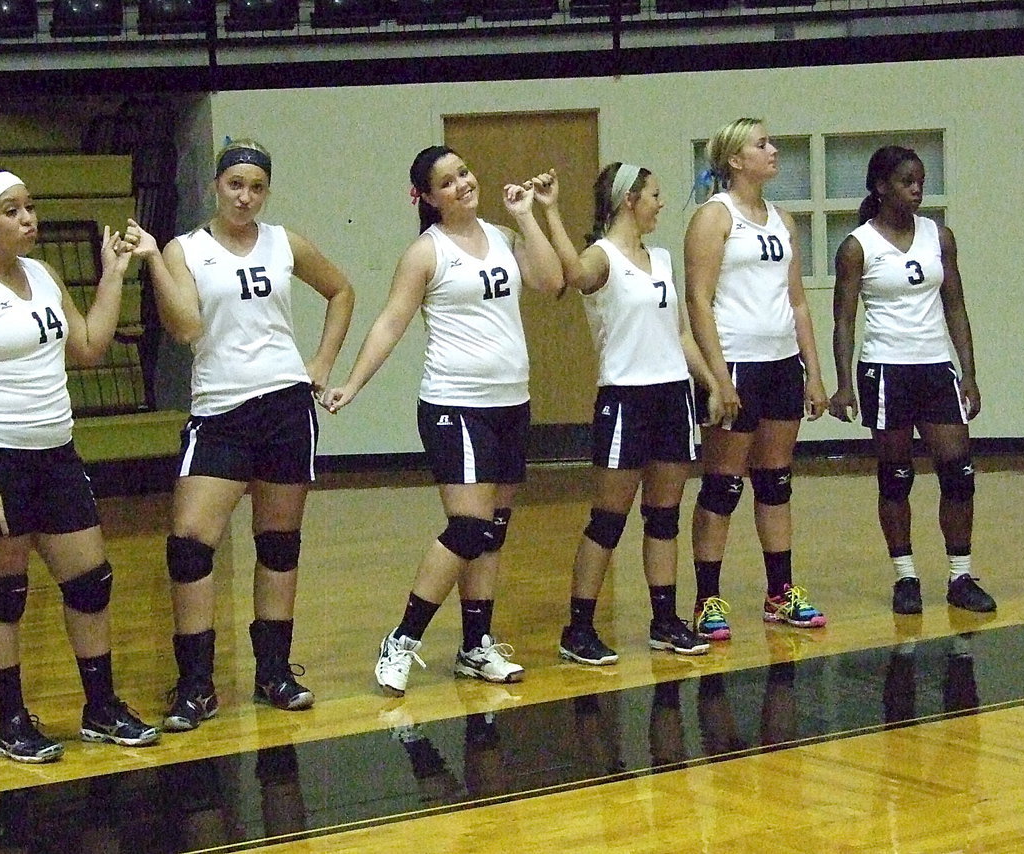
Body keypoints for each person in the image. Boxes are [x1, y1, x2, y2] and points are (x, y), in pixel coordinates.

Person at [0, 169, 160, 763]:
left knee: (90, 580)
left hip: (55, 453)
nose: (28, 219)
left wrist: (112, 275)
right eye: (11, 211)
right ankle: (10, 721)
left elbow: (87, 346)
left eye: (29, 207)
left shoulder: (44, 275)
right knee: (4, 591)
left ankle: (100, 707)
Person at [322, 145, 563, 697]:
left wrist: (529, 214)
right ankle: (403, 639)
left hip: (510, 402)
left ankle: (476, 646)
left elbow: (551, 283)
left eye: (465, 173)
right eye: (448, 182)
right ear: (428, 198)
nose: (463, 185)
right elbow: (390, 324)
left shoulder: (503, 236)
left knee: (491, 533)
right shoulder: (425, 254)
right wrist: (353, 384)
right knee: (468, 528)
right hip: (456, 405)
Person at [142, 139, 354, 730]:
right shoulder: (186, 249)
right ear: (217, 186)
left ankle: (275, 672)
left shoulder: (285, 242)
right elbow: (185, 328)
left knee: (279, 542)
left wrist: (320, 364)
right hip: (221, 411)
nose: (245, 196)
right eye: (235, 184)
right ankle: (194, 684)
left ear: (267, 191)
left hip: (286, 406)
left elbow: (341, 291)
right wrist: (157, 263)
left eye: (256, 186)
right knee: (189, 543)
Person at [536, 163, 721, 665]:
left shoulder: (660, 257)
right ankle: (578, 629)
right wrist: (551, 211)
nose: (662, 204)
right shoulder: (602, 258)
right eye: (655, 195)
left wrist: (715, 383)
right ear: (628, 200)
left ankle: (664, 620)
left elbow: (680, 332)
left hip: (672, 397)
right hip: (625, 399)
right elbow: (573, 276)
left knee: (663, 517)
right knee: (608, 521)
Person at [829, 144, 995, 615]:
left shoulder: (939, 237)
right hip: (885, 369)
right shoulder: (858, 246)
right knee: (896, 477)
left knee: (959, 473)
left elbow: (956, 305)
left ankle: (960, 576)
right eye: (907, 181)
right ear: (881, 187)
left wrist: (969, 373)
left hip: (934, 369)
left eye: (921, 180)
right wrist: (844, 383)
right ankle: (906, 577)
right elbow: (843, 320)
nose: (917, 189)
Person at [683, 118, 830, 641]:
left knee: (775, 480)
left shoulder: (783, 222)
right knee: (723, 484)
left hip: (781, 363)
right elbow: (697, 301)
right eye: (761, 143)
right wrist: (719, 379)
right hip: (738, 362)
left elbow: (797, 300)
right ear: (734, 160)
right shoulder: (713, 217)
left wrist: (814, 373)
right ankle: (706, 599)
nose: (773, 149)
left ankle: (779, 592)